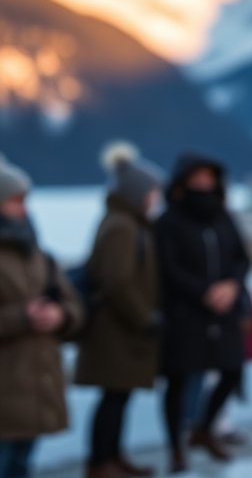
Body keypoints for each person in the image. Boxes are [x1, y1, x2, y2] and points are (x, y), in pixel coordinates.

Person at [157, 153, 251, 472]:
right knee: (180, 379)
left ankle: (203, 429)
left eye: (209, 178)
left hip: (225, 308)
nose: (203, 183)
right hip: (185, 311)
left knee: (232, 370)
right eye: (197, 177)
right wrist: (203, 292)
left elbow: (242, 257)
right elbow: (168, 267)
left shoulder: (223, 217)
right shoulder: (169, 221)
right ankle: (175, 447)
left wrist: (232, 286)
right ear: (183, 181)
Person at [75, 144, 163, 478]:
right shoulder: (122, 227)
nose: (156, 199)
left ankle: (112, 456)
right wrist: (145, 318)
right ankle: (101, 462)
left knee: (119, 396)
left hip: (121, 329)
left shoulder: (127, 223)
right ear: (138, 194)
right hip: (116, 331)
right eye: (153, 193)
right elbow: (118, 281)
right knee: (113, 398)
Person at [0, 155, 82, 478]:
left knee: (21, 465)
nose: (23, 209)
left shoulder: (38, 254)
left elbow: (74, 305)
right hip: (7, 386)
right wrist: (22, 317)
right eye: (15, 201)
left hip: (36, 383)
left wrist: (60, 315)